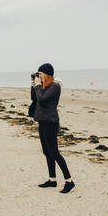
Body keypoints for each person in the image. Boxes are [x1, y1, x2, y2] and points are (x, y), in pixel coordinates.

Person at [32, 63, 75, 194]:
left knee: (54, 152)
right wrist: (33, 84)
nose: (39, 76)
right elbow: (35, 99)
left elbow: (43, 100)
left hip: (50, 122)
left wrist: (38, 85)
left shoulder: (55, 86)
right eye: (38, 74)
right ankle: (52, 180)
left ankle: (69, 181)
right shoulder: (43, 86)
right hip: (42, 121)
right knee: (46, 151)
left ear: (47, 74)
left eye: (40, 74)